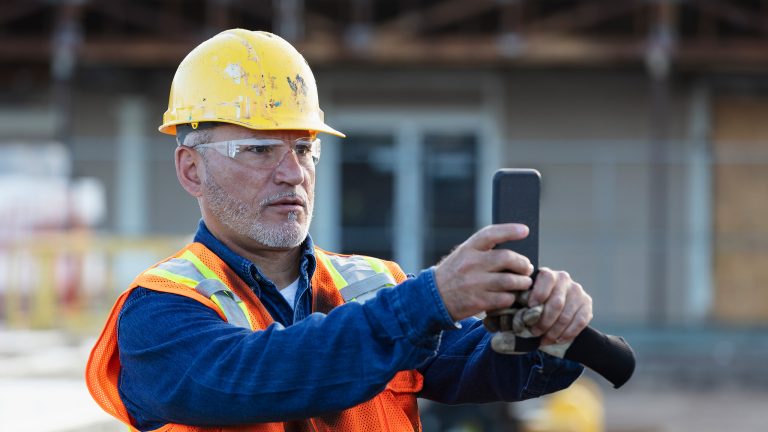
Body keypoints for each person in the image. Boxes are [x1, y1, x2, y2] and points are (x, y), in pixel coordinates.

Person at [86, 29, 593, 432]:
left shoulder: (374, 285)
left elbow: (481, 369)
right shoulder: (160, 309)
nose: (292, 172)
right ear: (191, 170)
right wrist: (430, 299)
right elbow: (262, 375)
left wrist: (546, 334)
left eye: (304, 148)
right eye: (259, 149)